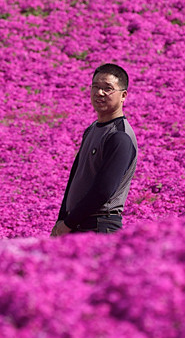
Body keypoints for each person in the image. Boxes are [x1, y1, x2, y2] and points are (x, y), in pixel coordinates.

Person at [51, 63, 138, 236]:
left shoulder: (120, 136)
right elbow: (74, 178)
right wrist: (61, 221)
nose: (99, 93)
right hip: (77, 224)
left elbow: (103, 191)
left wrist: (68, 223)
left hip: (99, 227)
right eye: (96, 87)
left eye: (108, 89)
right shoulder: (92, 129)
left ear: (123, 95)